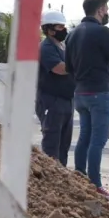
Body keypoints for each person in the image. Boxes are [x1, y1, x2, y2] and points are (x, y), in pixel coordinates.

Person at [65, 0, 109, 200]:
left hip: (80, 93)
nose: (107, 12)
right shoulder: (102, 31)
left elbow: (68, 67)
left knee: (84, 137)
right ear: (100, 10)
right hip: (99, 92)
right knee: (97, 141)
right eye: (106, 8)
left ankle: (79, 178)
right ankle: (95, 184)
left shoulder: (71, 35)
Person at [36, 10, 75, 167]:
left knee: (64, 146)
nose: (63, 30)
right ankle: (48, 180)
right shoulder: (45, 47)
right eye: (60, 27)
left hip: (66, 101)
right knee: (52, 146)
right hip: (51, 101)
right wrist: (78, 65)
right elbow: (59, 68)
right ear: (49, 29)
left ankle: (62, 181)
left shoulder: (63, 47)